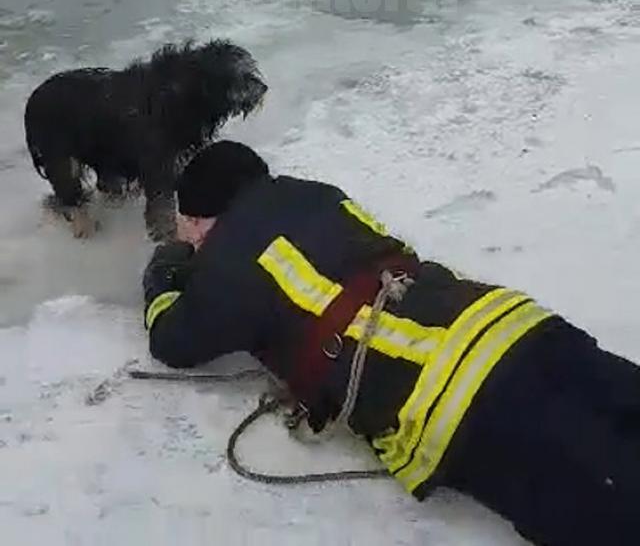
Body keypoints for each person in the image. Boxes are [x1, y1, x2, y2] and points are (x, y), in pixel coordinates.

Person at [143, 141, 640, 546]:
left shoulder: (227, 262)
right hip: (515, 324)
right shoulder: (316, 194)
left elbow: (172, 341)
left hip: (457, 401)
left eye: (191, 229)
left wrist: (164, 278)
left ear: (206, 220)